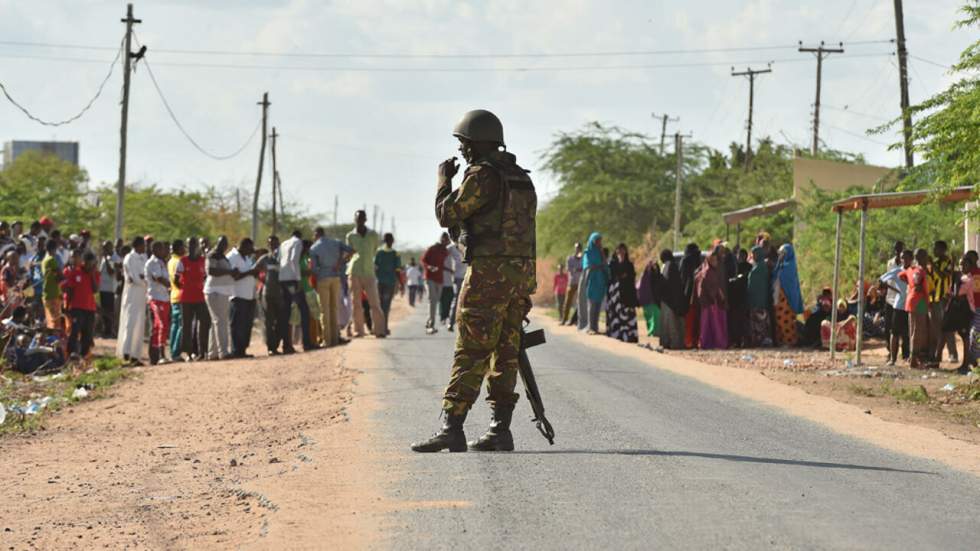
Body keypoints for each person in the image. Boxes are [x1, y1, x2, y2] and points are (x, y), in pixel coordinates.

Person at [412, 109, 537, 453]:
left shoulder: (483, 175)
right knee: (507, 351)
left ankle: (452, 427)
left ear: (477, 144)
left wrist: (443, 180)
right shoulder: (520, 178)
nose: (462, 151)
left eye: (464, 144)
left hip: (489, 276)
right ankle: (500, 429)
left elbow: (445, 214)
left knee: (471, 349)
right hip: (519, 278)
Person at [345, 213, 387, 338]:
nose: (360, 221)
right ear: (355, 220)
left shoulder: (373, 235)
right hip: (354, 271)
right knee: (356, 303)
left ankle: (379, 330)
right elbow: (349, 252)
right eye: (358, 219)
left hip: (369, 271)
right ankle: (358, 331)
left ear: (365, 219)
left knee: (374, 302)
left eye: (362, 219)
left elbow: (374, 250)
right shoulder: (350, 235)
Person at [310, 227, 352, 348]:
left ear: (316, 234)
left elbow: (314, 269)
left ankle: (327, 341)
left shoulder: (314, 248)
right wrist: (340, 262)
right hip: (336, 278)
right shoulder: (336, 243)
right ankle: (335, 339)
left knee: (325, 310)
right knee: (334, 308)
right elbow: (352, 251)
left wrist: (320, 272)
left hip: (323, 279)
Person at [176, 237, 210, 361]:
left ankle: (203, 352)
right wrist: (186, 287)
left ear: (198, 247)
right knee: (186, 326)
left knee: (204, 324)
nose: (192, 248)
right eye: (189, 245)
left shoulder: (203, 261)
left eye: (194, 245)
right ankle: (188, 353)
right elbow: (176, 280)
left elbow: (206, 277)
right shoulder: (183, 261)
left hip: (201, 297)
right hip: (186, 299)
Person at [61, 250, 100, 359]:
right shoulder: (76, 272)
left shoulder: (95, 273)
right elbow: (69, 290)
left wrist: (92, 274)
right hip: (77, 307)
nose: (88, 266)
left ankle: (84, 355)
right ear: (83, 262)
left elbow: (95, 289)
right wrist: (67, 306)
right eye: (87, 263)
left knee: (87, 333)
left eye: (91, 263)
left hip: (90, 308)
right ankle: (69, 354)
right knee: (75, 331)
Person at [227, 238, 261, 358]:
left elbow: (247, 273)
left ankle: (242, 350)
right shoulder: (232, 257)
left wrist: (253, 272)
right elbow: (233, 276)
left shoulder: (246, 257)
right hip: (237, 295)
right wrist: (250, 272)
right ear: (244, 246)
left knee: (246, 325)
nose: (251, 250)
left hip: (249, 295)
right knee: (237, 325)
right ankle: (236, 350)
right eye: (250, 248)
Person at [204, 236, 237, 360]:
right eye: (221, 243)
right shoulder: (212, 255)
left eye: (225, 243)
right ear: (217, 243)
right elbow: (211, 271)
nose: (223, 245)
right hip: (215, 291)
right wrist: (229, 272)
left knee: (216, 322)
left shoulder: (223, 256)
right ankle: (223, 351)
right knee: (220, 321)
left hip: (223, 291)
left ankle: (213, 353)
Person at [117, 236, 148, 365]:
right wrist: (145, 279)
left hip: (142, 294)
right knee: (130, 322)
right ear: (138, 245)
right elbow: (135, 278)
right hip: (132, 294)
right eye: (143, 245)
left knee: (140, 324)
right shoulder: (129, 258)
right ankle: (126, 353)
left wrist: (145, 278)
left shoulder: (144, 257)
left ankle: (135, 355)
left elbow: (146, 275)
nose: (145, 247)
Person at [881, 249, 912, 366]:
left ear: (912, 259)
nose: (905, 260)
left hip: (911, 306)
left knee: (909, 334)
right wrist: (896, 290)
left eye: (907, 257)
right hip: (899, 305)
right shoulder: (897, 271)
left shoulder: (915, 271)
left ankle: (909, 357)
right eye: (903, 257)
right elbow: (881, 280)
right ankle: (893, 359)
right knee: (894, 332)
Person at [901, 248, 932, 368]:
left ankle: (912, 357)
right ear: (921, 257)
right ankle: (913, 359)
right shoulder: (920, 271)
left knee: (912, 329)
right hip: (920, 302)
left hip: (910, 300)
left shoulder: (911, 269)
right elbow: (922, 287)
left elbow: (901, 275)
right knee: (918, 331)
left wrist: (910, 285)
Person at [928, 240, 957, 363]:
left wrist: (931, 264)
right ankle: (937, 354)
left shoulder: (949, 262)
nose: (934, 251)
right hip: (934, 300)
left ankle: (953, 354)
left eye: (936, 248)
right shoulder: (934, 263)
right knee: (937, 328)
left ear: (943, 250)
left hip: (944, 299)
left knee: (948, 328)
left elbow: (943, 276)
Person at [694, 245, 728, 349]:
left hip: (711, 302)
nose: (715, 262)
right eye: (712, 260)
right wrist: (719, 295)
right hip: (710, 302)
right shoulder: (707, 272)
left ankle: (710, 343)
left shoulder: (711, 270)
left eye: (716, 260)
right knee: (711, 324)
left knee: (711, 324)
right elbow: (711, 287)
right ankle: (712, 343)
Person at [771, 243, 803, 347]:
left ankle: (790, 341)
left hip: (787, 298)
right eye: (780, 253)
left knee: (787, 320)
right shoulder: (780, 265)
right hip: (779, 297)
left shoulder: (790, 265)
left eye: (783, 253)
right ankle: (781, 341)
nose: (781, 255)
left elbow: (786, 278)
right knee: (779, 319)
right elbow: (775, 275)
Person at [145, 241, 171, 365]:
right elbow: (159, 278)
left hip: (164, 298)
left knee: (159, 326)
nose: (164, 251)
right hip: (156, 298)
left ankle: (155, 357)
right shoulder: (152, 263)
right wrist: (172, 286)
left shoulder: (162, 262)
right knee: (161, 325)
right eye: (162, 249)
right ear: (155, 250)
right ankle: (161, 355)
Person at [606, 243, 639, 342]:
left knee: (628, 315)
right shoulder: (612, 264)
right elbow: (612, 277)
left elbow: (631, 277)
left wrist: (623, 276)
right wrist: (621, 276)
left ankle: (630, 336)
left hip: (628, 294)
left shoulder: (629, 264)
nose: (620, 252)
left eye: (622, 250)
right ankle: (616, 335)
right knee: (616, 315)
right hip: (615, 295)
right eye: (619, 250)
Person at [259, 235, 284, 355]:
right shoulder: (265, 259)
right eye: (271, 244)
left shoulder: (283, 258)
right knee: (268, 322)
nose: (273, 246)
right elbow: (254, 270)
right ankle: (271, 348)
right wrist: (262, 281)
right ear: (268, 245)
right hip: (267, 293)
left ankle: (276, 344)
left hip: (280, 294)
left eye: (275, 244)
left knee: (281, 321)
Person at [421, 233, 450, 335]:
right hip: (429, 278)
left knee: (436, 300)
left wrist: (450, 270)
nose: (445, 242)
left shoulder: (445, 252)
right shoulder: (432, 248)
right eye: (444, 239)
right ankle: (431, 324)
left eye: (447, 240)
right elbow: (423, 261)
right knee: (432, 300)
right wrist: (429, 267)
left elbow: (442, 265)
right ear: (441, 239)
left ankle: (429, 322)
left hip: (439, 279)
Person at [580, 232, 608, 335]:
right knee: (591, 305)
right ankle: (590, 327)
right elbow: (587, 266)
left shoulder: (600, 252)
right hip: (592, 280)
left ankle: (595, 327)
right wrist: (598, 266)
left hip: (600, 281)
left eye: (600, 240)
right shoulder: (588, 252)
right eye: (597, 240)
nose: (599, 242)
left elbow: (605, 263)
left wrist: (602, 253)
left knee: (598, 305)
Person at [658, 249, 686, 349]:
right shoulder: (672, 265)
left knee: (668, 324)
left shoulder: (666, 266)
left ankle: (668, 343)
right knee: (673, 324)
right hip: (672, 299)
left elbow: (664, 281)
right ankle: (675, 344)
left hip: (667, 299)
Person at [374, 232, 402, 331]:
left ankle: (379, 327)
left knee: (380, 305)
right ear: (392, 241)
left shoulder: (379, 252)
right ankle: (384, 328)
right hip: (389, 283)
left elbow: (375, 267)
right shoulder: (395, 253)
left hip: (379, 282)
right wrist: (401, 283)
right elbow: (398, 270)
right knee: (385, 306)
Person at [747, 245, 773, 347]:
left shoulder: (761, 266)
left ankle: (762, 340)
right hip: (754, 298)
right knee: (756, 320)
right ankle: (757, 340)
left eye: (754, 254)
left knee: (760, 319)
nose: (752, 256)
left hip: (759, 298)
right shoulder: (757, 265)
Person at [727, 247, 751, 348]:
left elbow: (745, 279)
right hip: (734, 298)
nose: (740, 257)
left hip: (743, 297)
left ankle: (743, 340)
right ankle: (736, 341)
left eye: (742, 255)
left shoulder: (748, 267)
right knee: (735, 321)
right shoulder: (734, 266)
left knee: (742, 320)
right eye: (739, 255)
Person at [679, 243, 702, 348]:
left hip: (688, 295)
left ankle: (689, 342)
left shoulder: (685, 260)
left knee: (689, 320)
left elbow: (683, 279)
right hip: (697, 295)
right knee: (695, 320)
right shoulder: (697, 260)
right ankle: (694, 341)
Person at [167, 240, 186, 361]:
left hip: (173, 296)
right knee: (181, 325)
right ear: (179, 248)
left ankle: (172, 351)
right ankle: (175, 352)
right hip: (180, 295)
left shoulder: (170, 261)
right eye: (183, 247)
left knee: (174, 325)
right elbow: (176, 279)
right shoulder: (179, 261)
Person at [97, 241, 118, 339]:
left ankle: (111, 330)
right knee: (103, 310)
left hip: (110, 288)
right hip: (102, 288)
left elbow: (111, 272)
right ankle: (106, 330)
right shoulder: (103, 258)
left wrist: (105, 258)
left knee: (109, 311)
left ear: (111, 247)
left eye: (106, 248)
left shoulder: (114, 258)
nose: (104, 250)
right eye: (103, 248)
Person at [41, 239, 63, 330]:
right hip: (53, 294)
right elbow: (60, 276)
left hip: (46, 293)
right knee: (55, 321)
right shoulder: (51, 260)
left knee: (50, 320)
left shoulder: (44, 260)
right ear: (55, 248)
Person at [561, 242, 583, 325]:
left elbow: (584, 269)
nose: (578, 249)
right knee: (568, 302)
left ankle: (576, 320)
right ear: (575, 248)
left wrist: (577, 269)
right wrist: (577, 269)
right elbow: (569, 269)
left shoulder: (583, 258)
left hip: (581, 283)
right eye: (577, 248)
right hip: (572, 282)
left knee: (581, 302)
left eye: (579, 248)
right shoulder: (570, 258)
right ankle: (564, 319)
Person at [446, 240, 466, 331]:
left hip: (468, 276)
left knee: (467, 300)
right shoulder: (451, 247)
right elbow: (442, 255)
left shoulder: (467, 243)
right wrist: (449, 269)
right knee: (457, 298)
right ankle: (451, 322)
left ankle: (464, 325)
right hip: (457, 277)